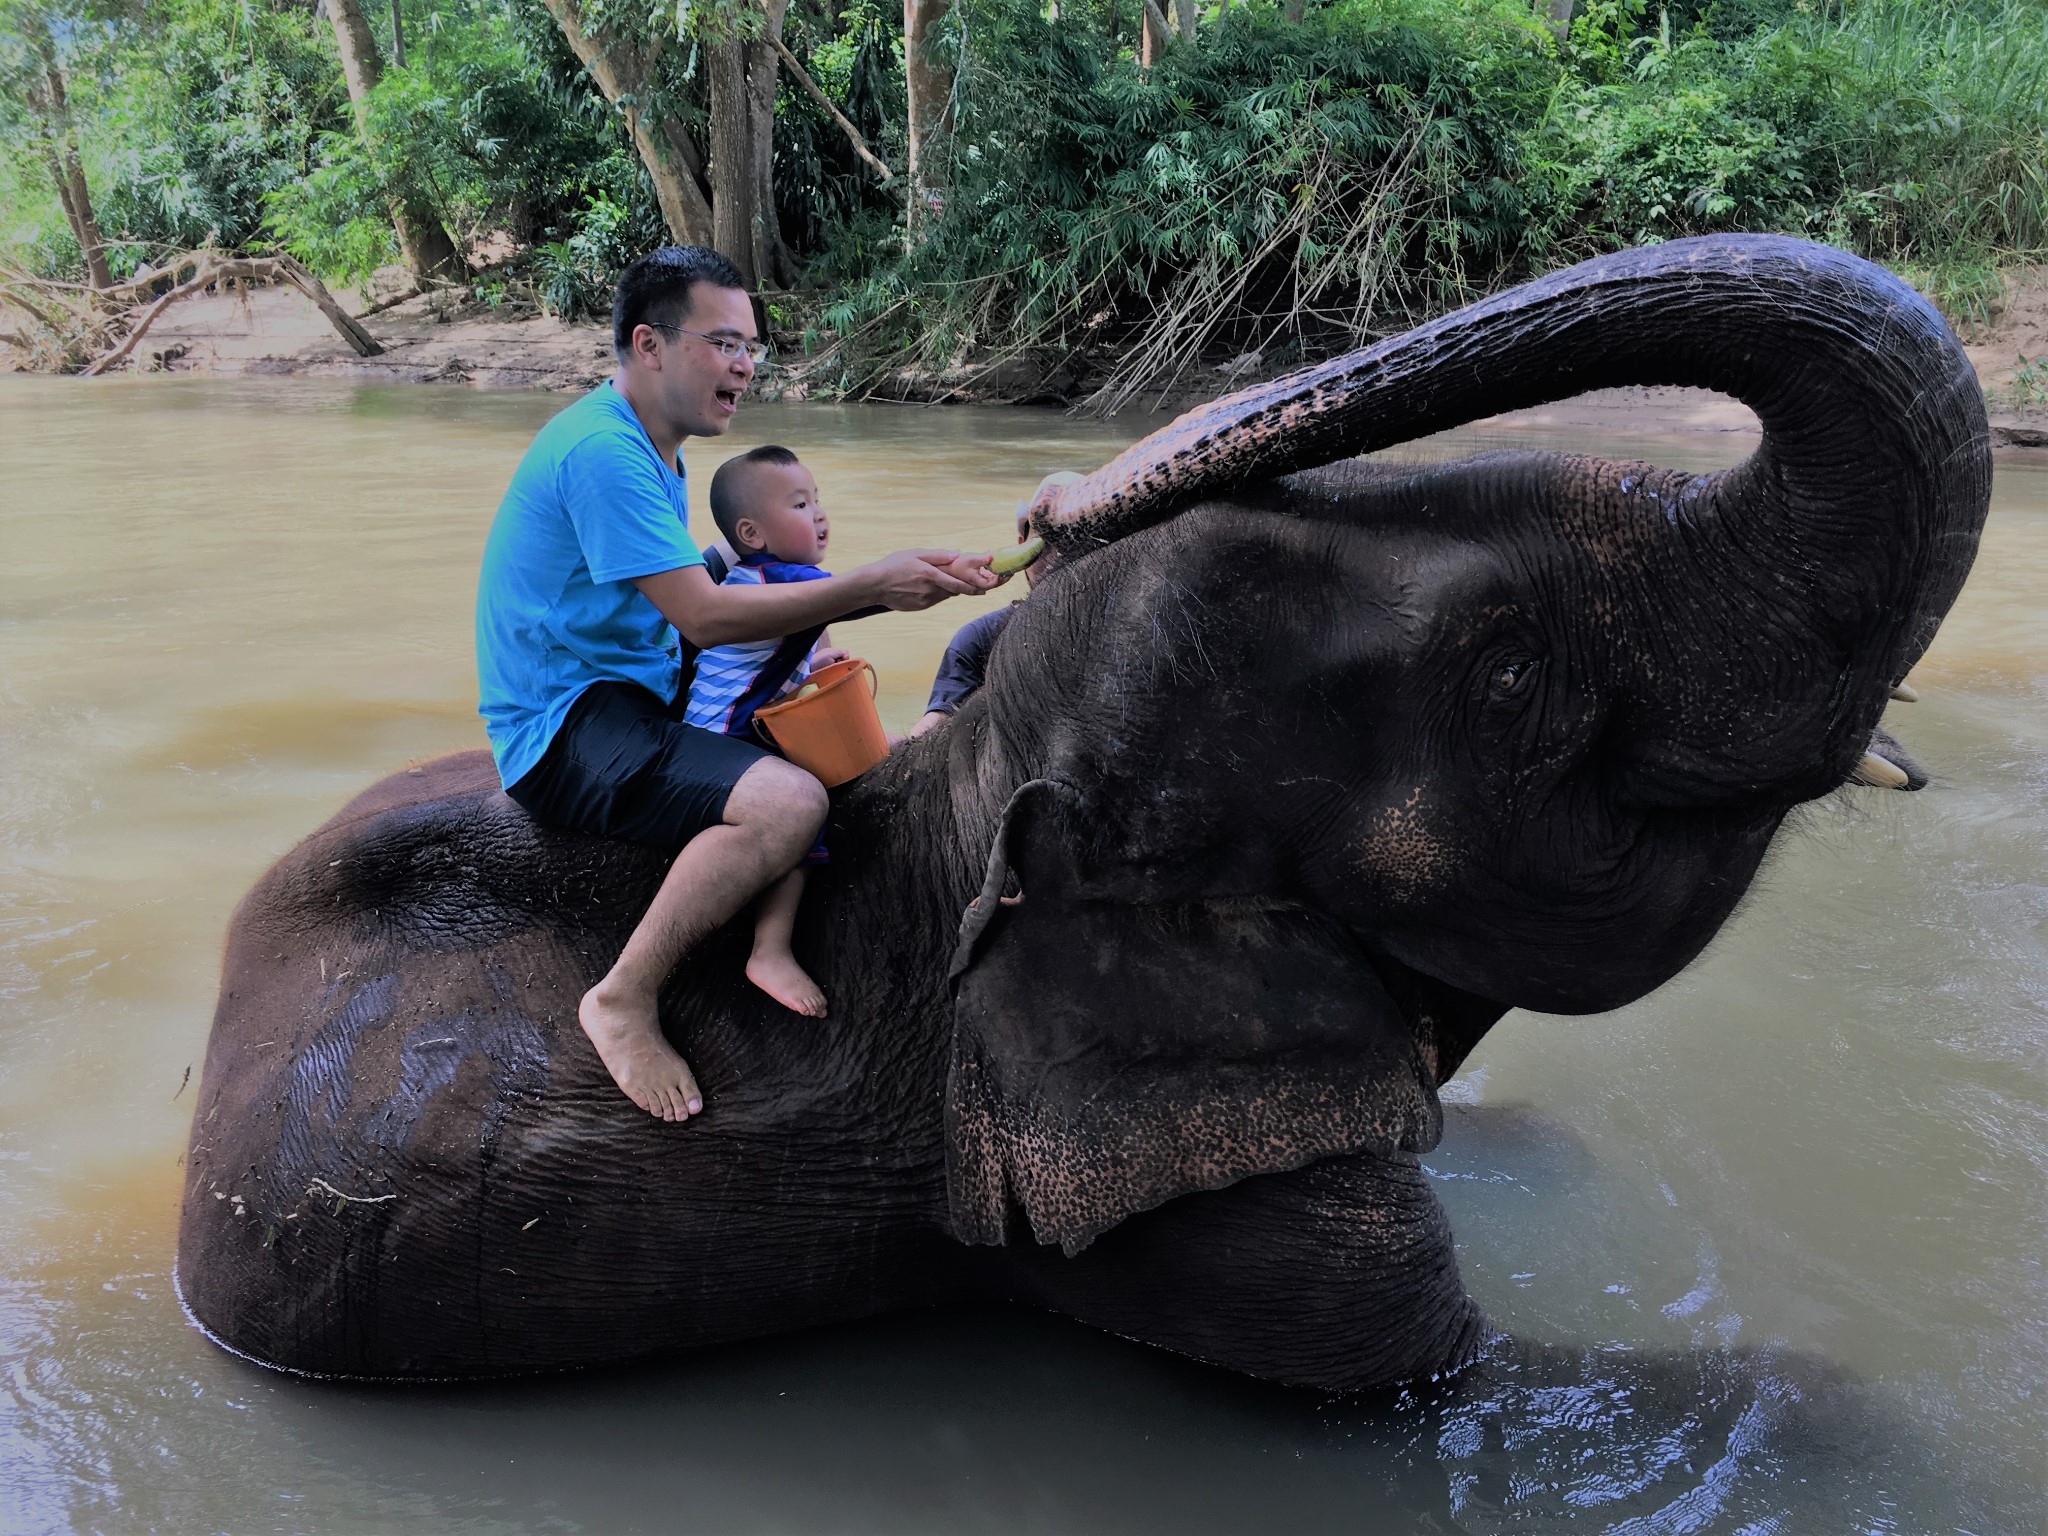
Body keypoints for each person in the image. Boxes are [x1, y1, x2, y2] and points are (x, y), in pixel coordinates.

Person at [475, 246, 995, 1124]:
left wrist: (907, 564)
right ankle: (622, 997)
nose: (746, 365)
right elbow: (705, 619)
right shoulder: (604, 451)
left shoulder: (650, 448)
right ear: (650, 345)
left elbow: (701, 573)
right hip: (566, 722)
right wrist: (871, 587)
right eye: (724, 343)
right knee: (787, 805)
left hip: (626, 693)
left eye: (752, 345)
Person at [681, 445, 843, 1020]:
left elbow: (775, 657)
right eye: (800, 504)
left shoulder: (753, 579)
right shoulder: (784, 578)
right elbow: (852, 597)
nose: (819, 514)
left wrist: (817, 665)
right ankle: (770, 949)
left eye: (817, 500)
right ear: (751, 532)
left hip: (711, 725)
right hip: (725, 738)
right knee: (806, 809)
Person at [911, 507, 1061, 736]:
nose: (1057, 558)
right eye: (1044, 543)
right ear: (1021, 547)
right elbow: (936, 725)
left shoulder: (1124, 632)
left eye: (1068, 544)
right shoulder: (978, 638)